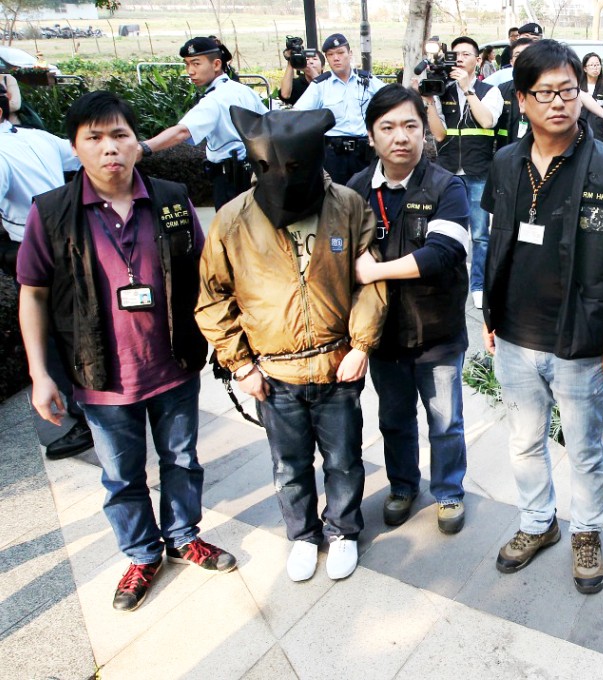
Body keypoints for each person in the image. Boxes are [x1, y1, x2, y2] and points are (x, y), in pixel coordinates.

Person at [18, 91, 236, 612]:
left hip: (174, 362)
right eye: (94, 138)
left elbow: (206, 274)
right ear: (75, 148)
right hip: (100, 373)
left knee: (182, 459)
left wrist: (228, 344)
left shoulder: (170, 198)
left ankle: (183, 536)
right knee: (121, 474)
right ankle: (141, 553)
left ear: (137, 142)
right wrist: (39, 374)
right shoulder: (51, 212)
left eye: (119, 135)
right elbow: (33, 293)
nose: (109, 147)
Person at [195, 106, 387, 583]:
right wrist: (239, 364)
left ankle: (343, 530)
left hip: (337, 362)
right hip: (273, 372)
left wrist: (361, 345)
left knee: (343, 459)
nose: (282, 177)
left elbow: (370, 282)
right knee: (289, 464)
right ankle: (302, 535)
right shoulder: (232, 220)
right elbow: (212, 297)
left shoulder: (346, 204)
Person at [481, 39, 603, 594]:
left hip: (581, 337)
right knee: (524, 441)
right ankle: (537, 522)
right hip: (516, 337)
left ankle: (587, 530)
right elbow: (497, 241)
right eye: (546, 93)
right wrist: (490, 310)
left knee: (585, 445)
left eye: (569, 91)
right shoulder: (505, 163)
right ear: (522, 100)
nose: (560, 103)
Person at [347, 85, 472, 534]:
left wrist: (373, 272)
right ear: (370, 136)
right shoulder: (355, 190)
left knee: (445, 422)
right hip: (383, 336)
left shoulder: (446, 186)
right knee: (394, 419)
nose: (400, 136)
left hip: (436, 333)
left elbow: (442, 254)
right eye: (388, 127)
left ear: (424, 132)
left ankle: (449, 492)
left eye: (410, 126)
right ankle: (403, 486)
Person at [0, 81, 92, 460]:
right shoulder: (37, 136)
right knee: (76, 325)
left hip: (29, 246)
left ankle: (80, 418)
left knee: (52, 337)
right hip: (72, 239)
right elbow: (80, 159)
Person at [139, 36, 268, 210]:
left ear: (216, 65)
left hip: (230, 182)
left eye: (196, 63)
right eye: (187, 64)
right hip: (255, 175)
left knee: (230, 233)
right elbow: (268, 123)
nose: (190, 71)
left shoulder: (214, 99)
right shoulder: (243, 90)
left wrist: (144, 148)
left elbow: (182, 132)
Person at [425, 36, 504, 309]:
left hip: (478, 171)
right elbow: (438, 133)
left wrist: (467, 89)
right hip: (446, 172)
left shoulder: (489, 90)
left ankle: (479, 284)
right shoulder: (441, 91)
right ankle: (447, 282)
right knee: (443, 231)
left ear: (477, 60)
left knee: (481, 234)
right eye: (455, 53)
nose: (459, 58)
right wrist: (429, 103)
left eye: (466, 54)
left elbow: (487, 120)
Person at [293, 33, 386, 185]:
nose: (336, 58)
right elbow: (298, 114)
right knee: (335, 200)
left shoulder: (367, 80)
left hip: (363, 153)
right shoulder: (320, 85)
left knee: (366, 198)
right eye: (330, 54)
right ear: (326, 58)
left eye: (340, 53)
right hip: (334, 156)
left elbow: (392, 99)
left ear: (350, 54)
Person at [493, 37, 537, 150]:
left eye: (527, 54)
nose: (523, 58)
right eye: (518, 54)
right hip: (506, 154)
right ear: (511, 62)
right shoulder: (501, 90)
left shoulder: (545, 90)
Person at [580, 52, 603, 143]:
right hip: (580, 131)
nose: (595, 67)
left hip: (599, 133)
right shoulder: (578, 87)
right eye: (591, 65)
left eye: (597, 64)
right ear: (585, 68)